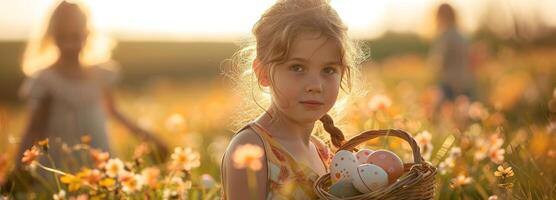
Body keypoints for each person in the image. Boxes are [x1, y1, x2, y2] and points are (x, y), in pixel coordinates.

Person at [220, 0, 364, 199]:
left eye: (328, 70)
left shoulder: (323, 152)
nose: (315, 85)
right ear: (263, 73)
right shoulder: (253, 148)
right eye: (297, 67)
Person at [15, 0, 168, 172]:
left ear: (87, 34)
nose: (70, 44)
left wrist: (150, 139)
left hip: (100, 161)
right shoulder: (46, 80)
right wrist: (17, 171)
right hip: (61, 167)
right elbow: (33, 129)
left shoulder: (100, 75)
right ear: (52, 36)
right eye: (63, 37)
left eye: (75, 35)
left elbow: (115, 112)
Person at [430, 3, 475, 102]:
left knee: (442, 114)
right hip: (465, 83)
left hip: (449, 85)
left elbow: (439, 62)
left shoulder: (446, 36)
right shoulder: (462, 36)